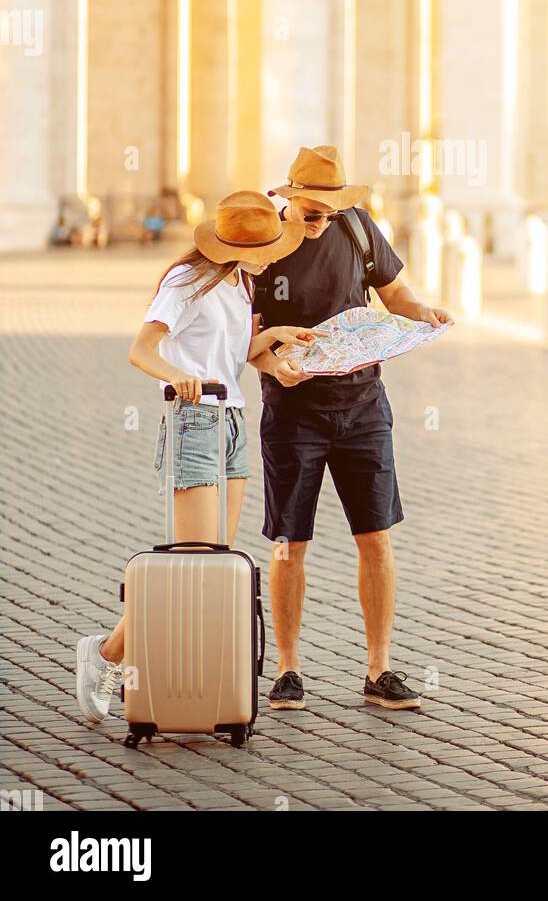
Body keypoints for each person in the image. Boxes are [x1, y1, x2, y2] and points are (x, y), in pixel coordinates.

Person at [75, 190, 315, 724]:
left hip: (231, 422)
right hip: (195, 422)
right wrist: (176, 375)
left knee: (212, 564)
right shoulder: (187, 281)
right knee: (190, 562)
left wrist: (271, 344)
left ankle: (111, 653)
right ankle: (108, 656)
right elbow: (143, 349)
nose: (277, 254)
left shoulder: (239, 281)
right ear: (238, 245)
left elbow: (232, 357)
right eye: (269, 246)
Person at [251, 145, 452, 712]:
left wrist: (423, 314)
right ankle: (288, 669)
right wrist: (272, 365)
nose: (319, 224)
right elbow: (248, 336)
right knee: (290, 544)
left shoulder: (357, 228)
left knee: (376, 539)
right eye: (310, 213)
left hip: (364, 405)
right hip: (293, 410)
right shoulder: (263, 243)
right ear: (289, 199)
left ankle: (378, 669)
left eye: (327, 214)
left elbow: (396, 295)